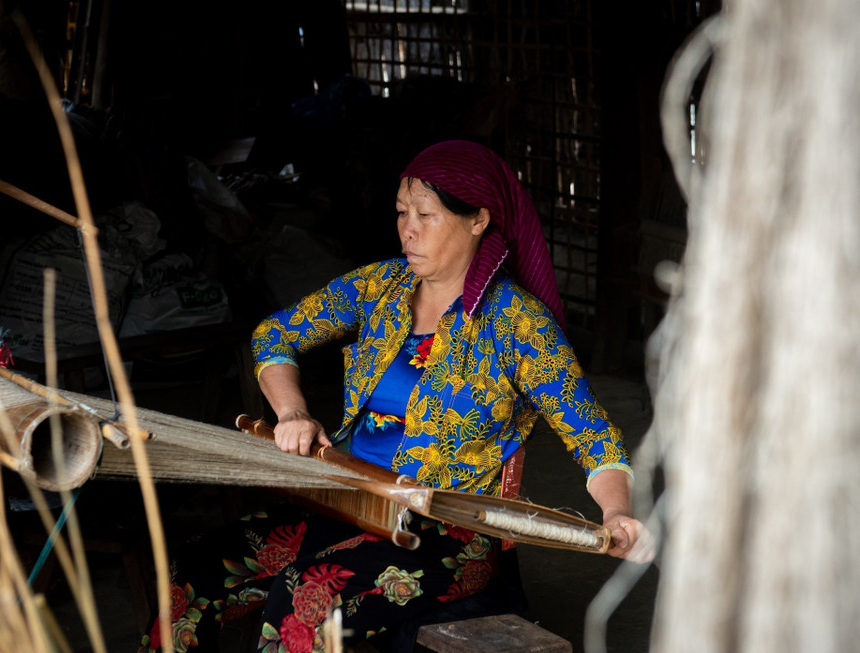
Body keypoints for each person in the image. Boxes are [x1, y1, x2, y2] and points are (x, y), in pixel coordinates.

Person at [139, 140, 653, 653]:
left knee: (305, 595)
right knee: (197, 567)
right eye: (402, 212)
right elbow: (275, 334)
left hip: (443, 534)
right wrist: (292, 411)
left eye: (426, 215)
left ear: (478, 219)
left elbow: (594, 437)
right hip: (349, 501)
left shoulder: (519, 325)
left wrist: (616, 513)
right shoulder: (382, 286)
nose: (408, 228)